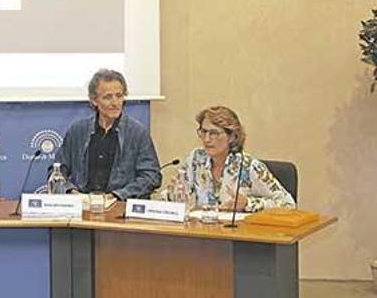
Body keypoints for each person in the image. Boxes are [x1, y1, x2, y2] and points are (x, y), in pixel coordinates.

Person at [54, 69, 161, 201]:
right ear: (94, 100)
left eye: (119, 95)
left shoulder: (137, 133)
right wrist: (70, 191)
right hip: (81, 205)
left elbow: (151, 176)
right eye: (108, 97)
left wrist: (117, 195)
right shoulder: (77, 130)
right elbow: (57, 170)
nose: (115, 103)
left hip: (119, 206)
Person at [162, 106, 295, 211]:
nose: (207, 139)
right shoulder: (196, 160)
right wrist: (172, 194)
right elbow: (170, 198)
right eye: (203, 132)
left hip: (238, 240)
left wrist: (248, 203)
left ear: (232, 137)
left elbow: (287, 204)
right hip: (201, 236)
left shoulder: (249, 166)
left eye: (214, 133)